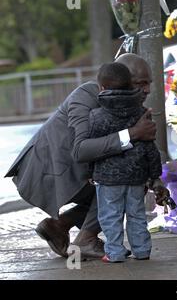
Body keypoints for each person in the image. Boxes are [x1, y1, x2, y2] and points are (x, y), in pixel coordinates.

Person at [4, 54, 165, 259]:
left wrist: (156, 178)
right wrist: (134, 133)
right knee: (126, 178)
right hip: (49, 170)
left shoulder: (132, 105)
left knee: (129, 174)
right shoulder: (87, 95)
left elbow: (139, 148)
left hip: (80, 169)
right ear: (121, 80)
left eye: (148, 83)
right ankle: (86, 240)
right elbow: (81, 150)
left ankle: (58, 226)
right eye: (140, 83)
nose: (148, 90)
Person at [89, 62, 166, 263]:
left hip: (107, 179)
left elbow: (94, 149)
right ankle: (142, 250)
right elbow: (151, 148)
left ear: (102, 88)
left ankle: (114, 252)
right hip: (136, 177)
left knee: (110, 217)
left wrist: (91, 173)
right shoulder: (141, 113)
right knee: (137, 215)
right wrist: (155, 176)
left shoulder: (96, 116)